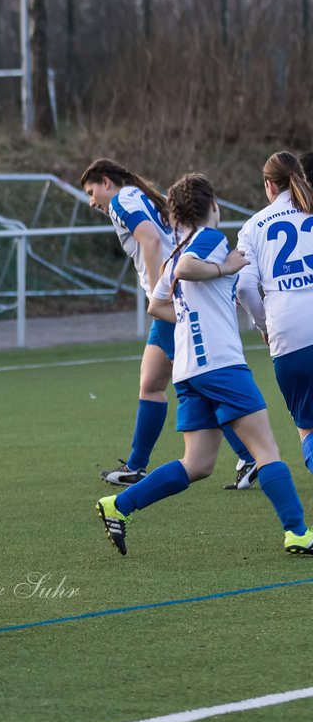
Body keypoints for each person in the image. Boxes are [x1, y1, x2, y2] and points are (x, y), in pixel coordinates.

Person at [95, 173, 313, 556]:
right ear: (213, 205)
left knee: (197, 463)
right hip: (221, 364)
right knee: (267, 450)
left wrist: (194, 318)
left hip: (190, 370)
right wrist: (223, 270)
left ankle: (120, 505)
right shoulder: (209, 240)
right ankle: (297, 533)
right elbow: (188, 272)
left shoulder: (175, 252)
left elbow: (155, 304)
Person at [80, 158, 257, 490]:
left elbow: (149, 239)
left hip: (171, 301)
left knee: (198, 384)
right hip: (174, 299)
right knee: (151, 382)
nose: (92, 202)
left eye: (92, 192)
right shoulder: (139, 195)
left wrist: (157, 288)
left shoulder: (121, 200)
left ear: (106, 182)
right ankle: (137, 465)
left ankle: (249, 455)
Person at [236, 152, 313, 518]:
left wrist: (265, 326)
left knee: (308, 429)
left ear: (269, 185)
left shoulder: (253, 226)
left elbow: (245, 288)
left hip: (291, 335)